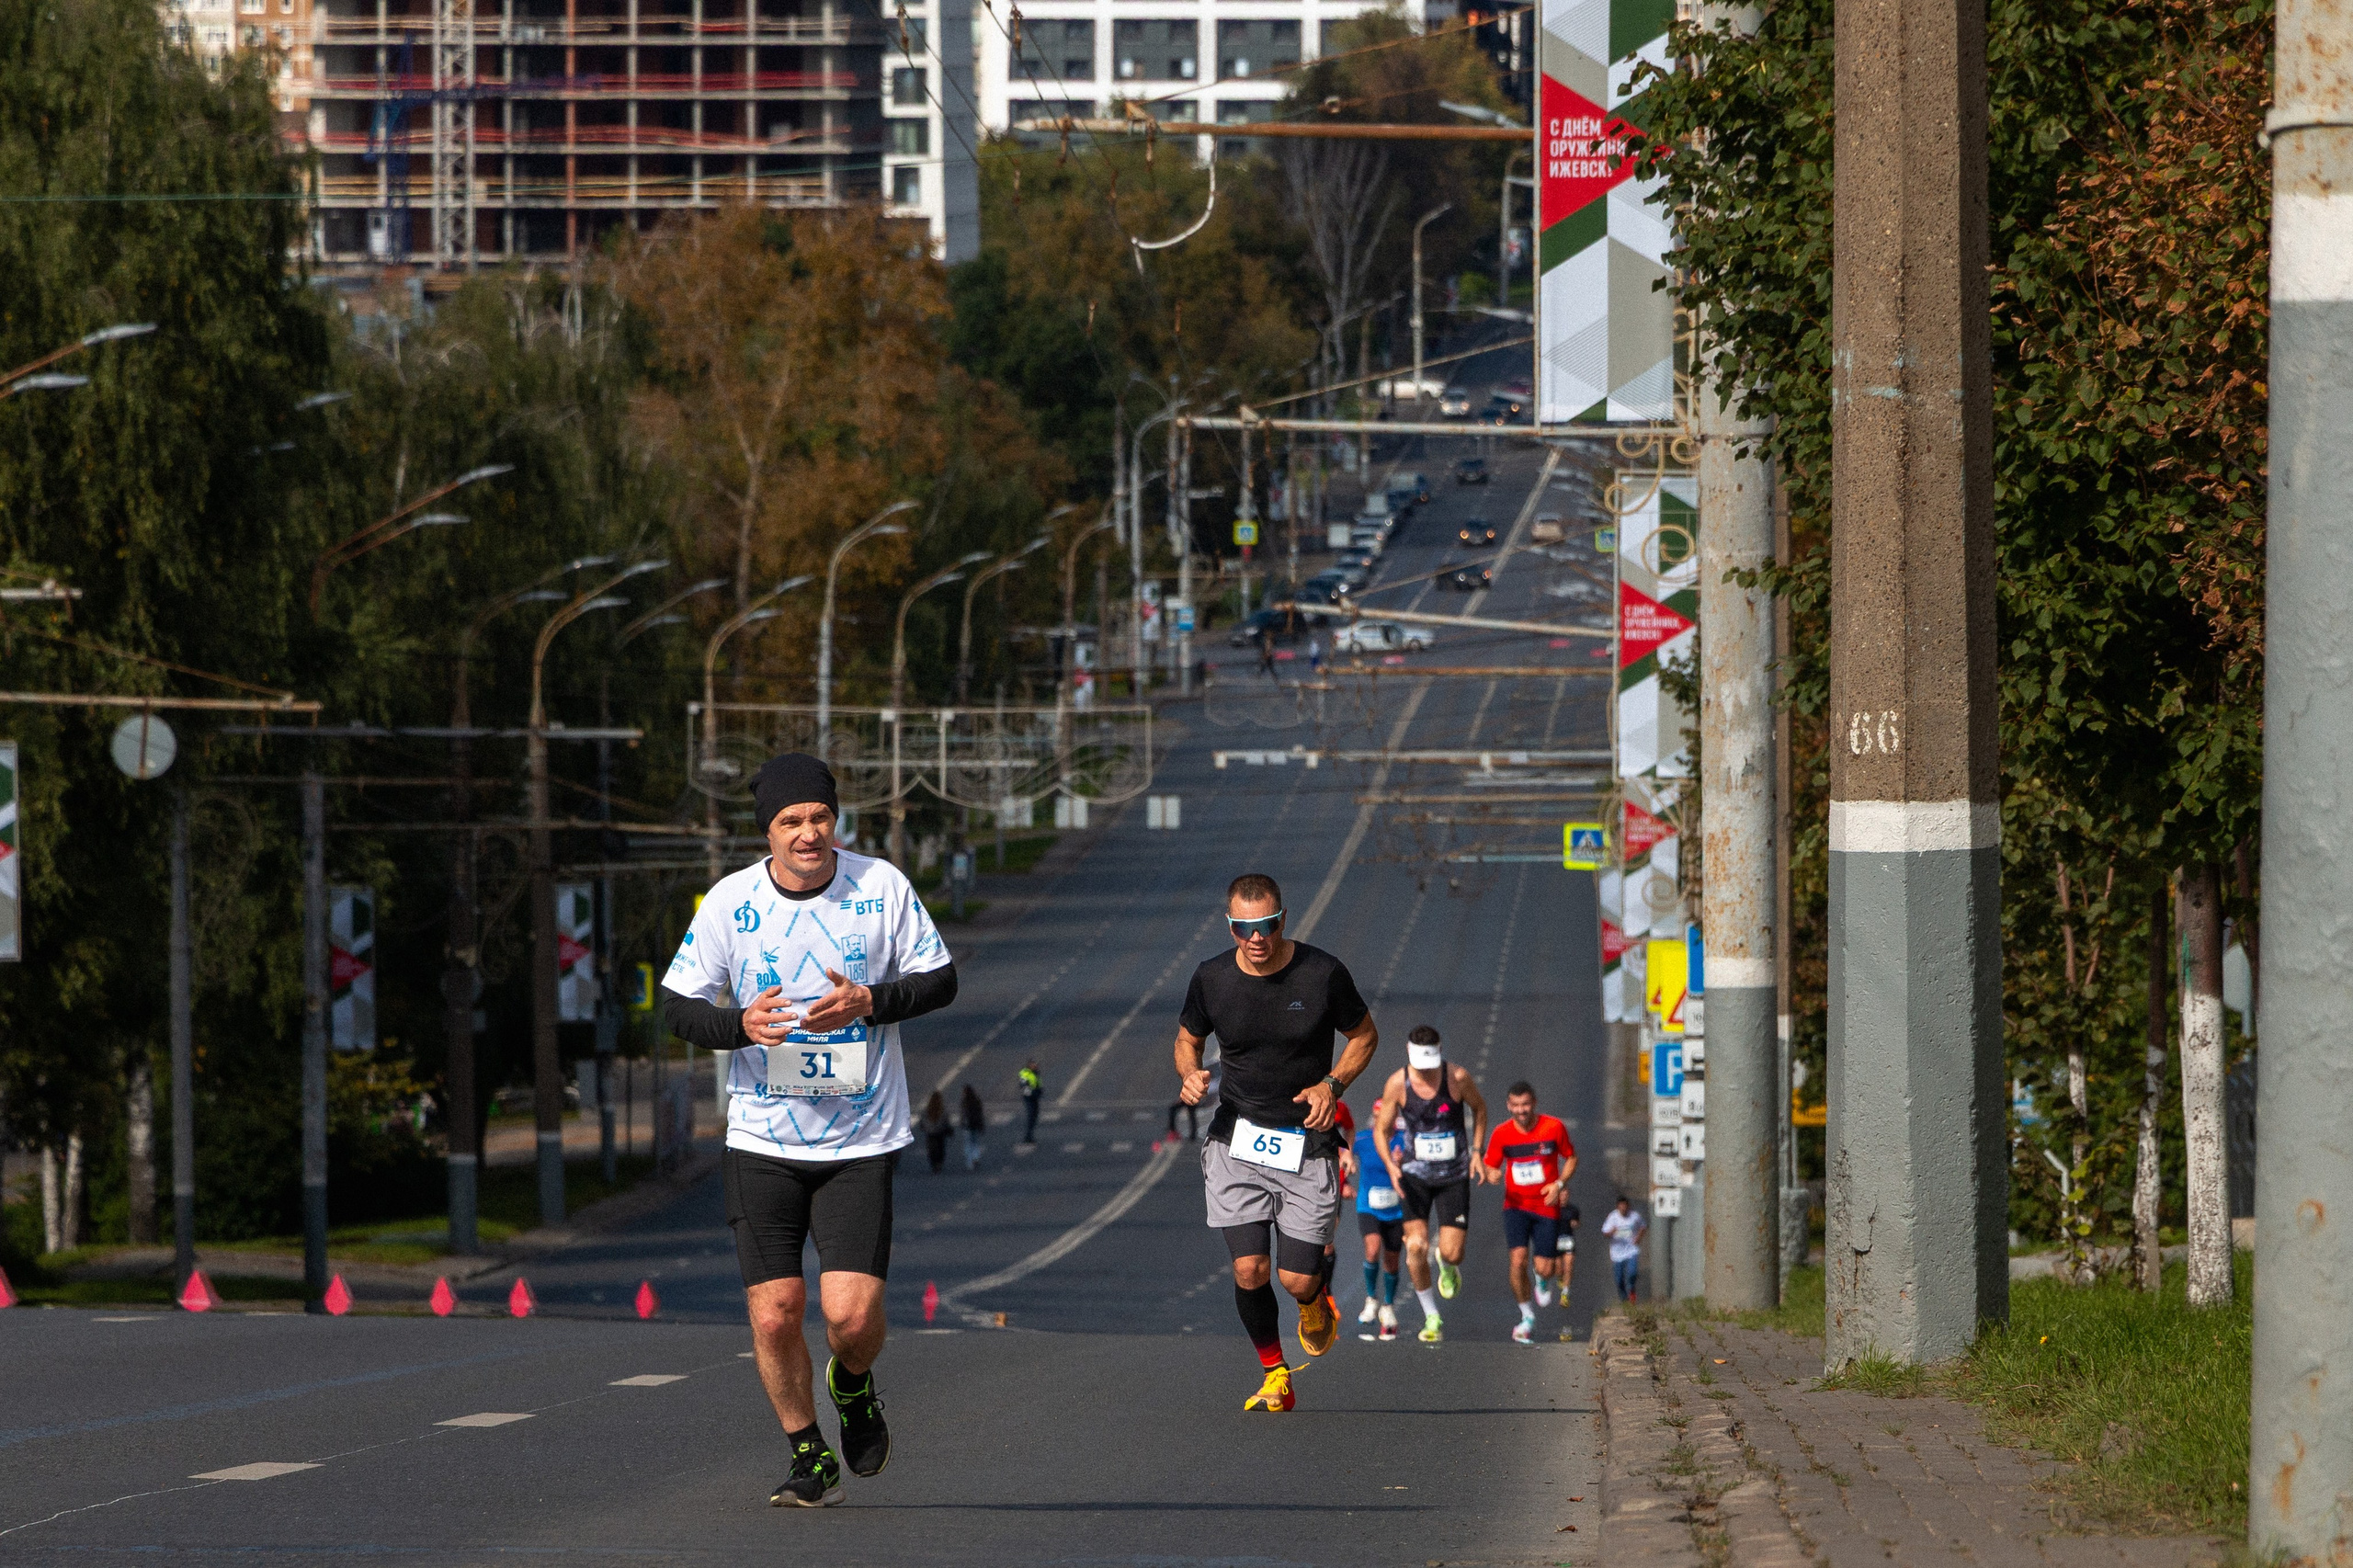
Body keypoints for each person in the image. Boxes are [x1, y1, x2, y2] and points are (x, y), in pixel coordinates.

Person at [659, 752, 957, 1507]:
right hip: (762, 1140)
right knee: (775, 1309)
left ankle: (852, 1386)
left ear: (835, 820)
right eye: (791, 821)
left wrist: (871, 1002)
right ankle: (808, 1452)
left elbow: (940, 980)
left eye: (819, 818)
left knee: (849, 1317)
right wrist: (737, 1025)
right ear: (768, 831)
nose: (807, 833)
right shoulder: (732, 903)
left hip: (860, 1142)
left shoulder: (880, 887)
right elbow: (678, 1004)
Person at [1174, 872, 1379, 1412]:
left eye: (1265, 925)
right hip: (1235, 1139)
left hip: (1305, 1144)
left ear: (1282, 920)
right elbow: (1187, 1039)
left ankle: (1314, 1303)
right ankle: (1274, 1371)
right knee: (1249, 1269)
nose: (1255, 938)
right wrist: (1191, 1072)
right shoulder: (1211, 978)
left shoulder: (1322, 974)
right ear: (1232, 927)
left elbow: (1364, 1036)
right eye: (1244, 928)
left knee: (1294, 1278)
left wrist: (1332, 1085)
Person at [1373, 1026, 1488, 1345]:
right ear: (1409, 1054)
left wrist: (1477, 1152)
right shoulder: (1398, 1083)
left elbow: (1480, 1109)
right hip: (1414, 1175)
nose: (1426, 1070)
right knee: (1415, 1247)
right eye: (1421, 1063)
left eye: (1431, 1062)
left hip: (1453, 1175)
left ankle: (1448, 1266)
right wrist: (1391, 1168)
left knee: (1451, 1253)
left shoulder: (1458, 1078)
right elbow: (1381, 1130)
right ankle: (1431, 1315)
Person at [1480, 1081, 1576, 1345]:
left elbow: (1571, 1157)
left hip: (1546, 1205)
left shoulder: (1553, 1127)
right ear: (1509, 1106)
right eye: (1516, 1106)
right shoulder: (1501, 1133)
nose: (1521, 1111)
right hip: (1515, 1206)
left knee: (1545, 1268)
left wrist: (1559, 1185)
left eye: (1525, 1105)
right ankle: (1526, 1316)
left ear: (1533, 1103)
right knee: (1517, 1260)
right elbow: (1490, 1166)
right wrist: (1492, 1175)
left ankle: (1542, 1280)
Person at [1349, 1108, 1407, 1341]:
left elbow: (1420, 1169)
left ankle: (1389, 1306)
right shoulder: (1363, 1139)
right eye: (1377, 1117)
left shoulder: (1404, 1140)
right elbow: (1343, 1152)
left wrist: (1403, 1163)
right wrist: (1346, 1173)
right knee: (1372, 1250)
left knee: (1391, 1261)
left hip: (1396, 1209)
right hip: (1369, 1206)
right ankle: (1371, 1299)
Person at [1602, 1195, 1647, 1302]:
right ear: (1617, 1207)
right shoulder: (1612, 1217)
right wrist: (1611, 1232)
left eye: (1625, 1206)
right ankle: (1624, 1300)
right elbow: (1605, 1232)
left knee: (1632, 1273)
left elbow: (1643, 1226)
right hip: (1617, 1253)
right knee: (1619, 1280)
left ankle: (1632, 1290)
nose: (1623, 1208)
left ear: (1628, 1206)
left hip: (1631, 1250)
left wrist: (1638, 1238)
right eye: (1621, 1206)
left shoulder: (1634, 1216)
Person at [918, 1090, 952, 1174]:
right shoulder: (942, 1109)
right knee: (941, 1148)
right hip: (940, 1131)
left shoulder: (928, 1109)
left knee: (931, 1149)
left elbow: (923, 1119)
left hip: (930, 1132)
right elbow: (946, 1120)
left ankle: (934, 1163)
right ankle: (939, 1163)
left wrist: (924, 1126)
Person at [960, 1084, 986, 1170]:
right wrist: (981, 1125)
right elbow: (980, 1114)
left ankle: (969, 1162)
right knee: (975, 1142)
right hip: (975, 1124)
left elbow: (963, 1114)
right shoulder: (976, 1100)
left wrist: (962, 1123)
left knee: (968, 1144)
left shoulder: (964, 1102)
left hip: (967, 1126)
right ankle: (976, 1157)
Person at [1018, 1061, 1042, 1144]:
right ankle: (1028, 1136)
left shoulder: (1035, 1073)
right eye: (1034, 1065)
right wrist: (1032, 1095)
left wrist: (1039, 1092)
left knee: (1034, 1116)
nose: (1036, 1066)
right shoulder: (1025, 1074)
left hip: (1034, 1097)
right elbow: (1024, 1087)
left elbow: (1038, 1083)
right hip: (1029, 1098)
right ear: (1029, 1065)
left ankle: (1029, 1135)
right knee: (1031, 1116)